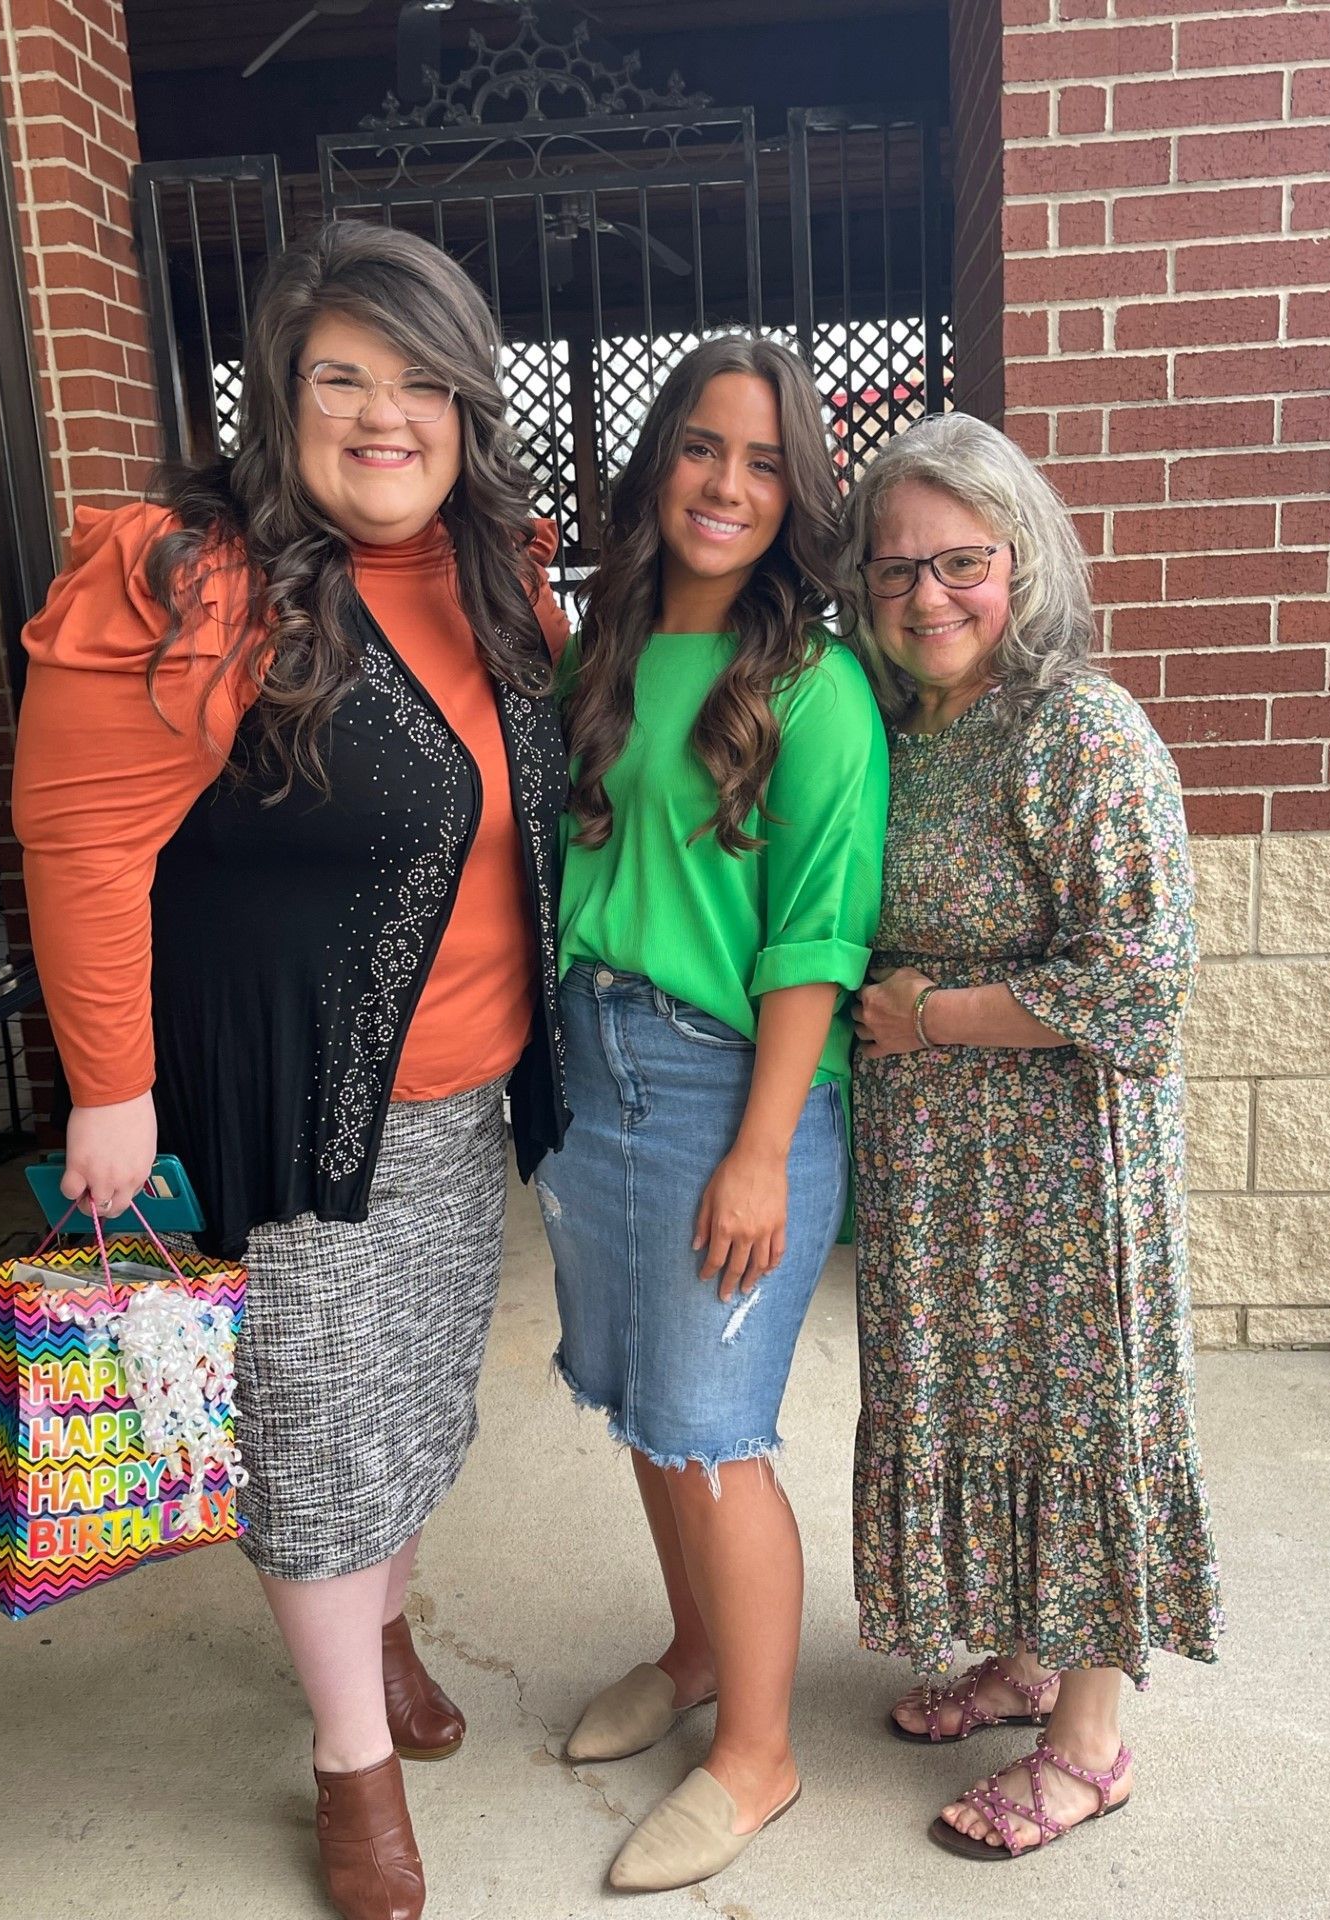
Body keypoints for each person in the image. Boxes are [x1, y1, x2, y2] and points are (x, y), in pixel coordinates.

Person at [12, 221, 570, 1920]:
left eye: (420, 382)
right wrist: (112, 1088)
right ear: (280, 396)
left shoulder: (493, 570)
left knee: (414, 1401)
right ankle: (352, 1766)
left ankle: (384, 1634)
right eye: (342, 377)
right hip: (289, 1094)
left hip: (465, 1094)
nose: (384, 416)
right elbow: (83, 841)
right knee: (318, 1433)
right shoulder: (197, 574)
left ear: (469, 404)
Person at [845, 411, 1221, 1861]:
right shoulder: (896, 734)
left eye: (962, 563)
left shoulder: (1081, 728)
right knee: (975, 1410)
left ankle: (1088, 1741)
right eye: (897, 572)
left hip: (1063, 1163)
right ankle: (1017, 1656)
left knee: (1080, 1421)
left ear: (1025, 562)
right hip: (938, 1168)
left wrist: (927, 1020)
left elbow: (1145, 978)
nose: (929, 598)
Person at [539, 336, 888, 1893]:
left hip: (721, 1087)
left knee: (715, 1431)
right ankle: (693, 1654)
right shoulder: (599, 648)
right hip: (589, 1063)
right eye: (699, 448)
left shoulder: (815, 688)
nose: (726, 485)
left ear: (796, 489)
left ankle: (759, 1752)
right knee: (639, 1405)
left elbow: (816, 934)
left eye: (761, 461)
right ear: (656, 462)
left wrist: (761, 1149)